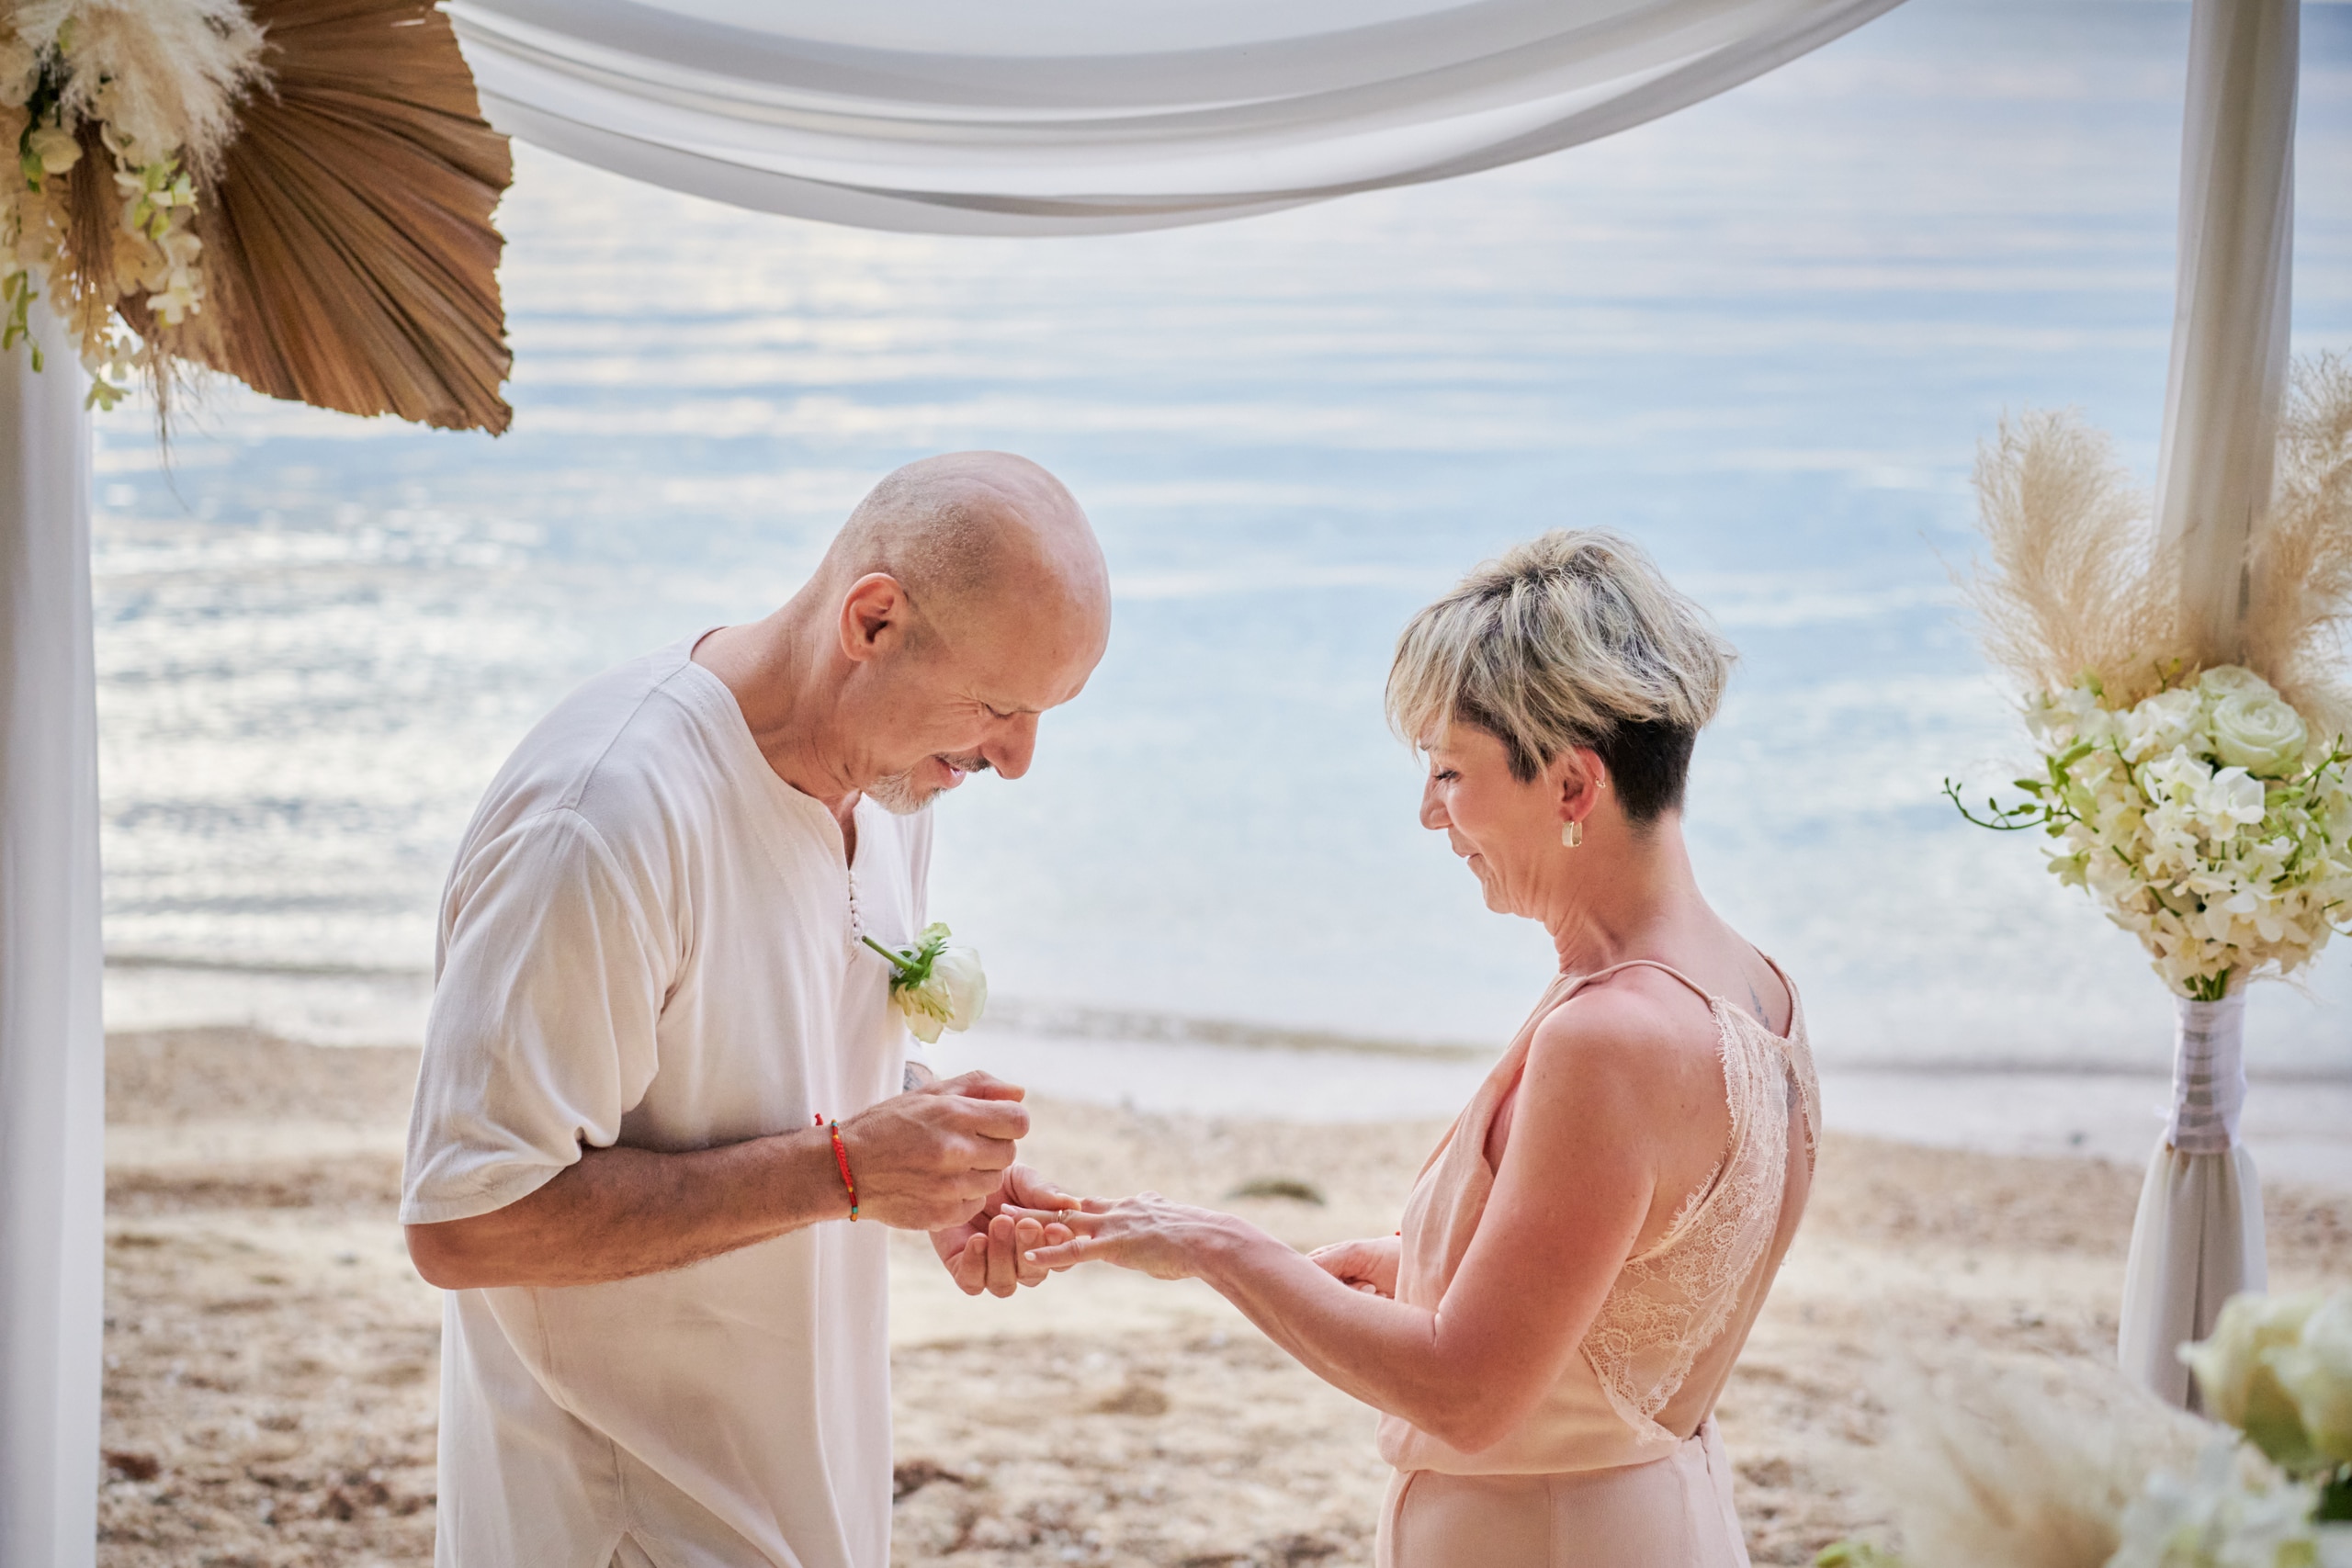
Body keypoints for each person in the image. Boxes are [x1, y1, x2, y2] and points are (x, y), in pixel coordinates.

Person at [1025, 530, 1817, 1567]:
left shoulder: (1609, 1038)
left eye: (1449, 772)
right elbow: (1644, 1293)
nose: (1428, 814)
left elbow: (1468, 1393)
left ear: (1573, 787)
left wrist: (1217, 1246)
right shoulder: (1756, 989)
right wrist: (1423, 1266)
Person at [399, 452, 1105, 1568]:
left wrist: (923, 1152)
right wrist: (844, 1173)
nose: (1014, 759)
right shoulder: (602, 822)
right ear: (872, 621)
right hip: (619, 1521)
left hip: (801, 1494)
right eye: (998, 706)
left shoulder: (889, 785)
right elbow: (466, 1218)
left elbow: (754, 1058)